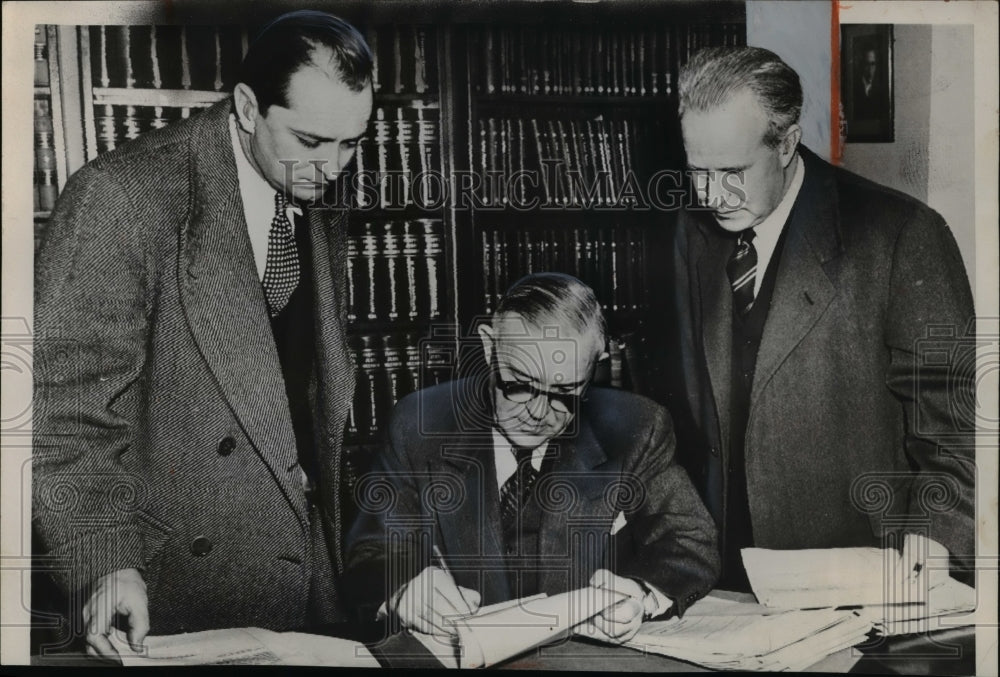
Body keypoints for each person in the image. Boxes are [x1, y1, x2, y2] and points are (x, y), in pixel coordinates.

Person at [32, 11, 373, 657]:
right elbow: (58, 411)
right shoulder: (122, 197)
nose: (333, 167)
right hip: (172, 591)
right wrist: (106, 560)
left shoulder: (306, 179)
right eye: (310, 139)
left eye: (352, 143)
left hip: (305, 574)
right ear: (246, 107)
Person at [667, 46, 975, 591]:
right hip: (728, 579)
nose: (713, 195)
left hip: (860, 577)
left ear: (787, 143)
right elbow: (696, 412)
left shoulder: (900, 235)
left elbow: (958, 429)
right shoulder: (694, 233)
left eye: (733, 172)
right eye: (698, 172)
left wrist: (934, 543)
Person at [344, 273, 719, 644]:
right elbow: (371, 552)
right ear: (489, 348)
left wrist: (639, 593)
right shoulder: (419, 424)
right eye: (520, 385)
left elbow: (689, 540)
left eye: (565, 392)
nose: (538, 413)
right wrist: (404, 589)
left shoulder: (637, 427)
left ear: (596, 366)